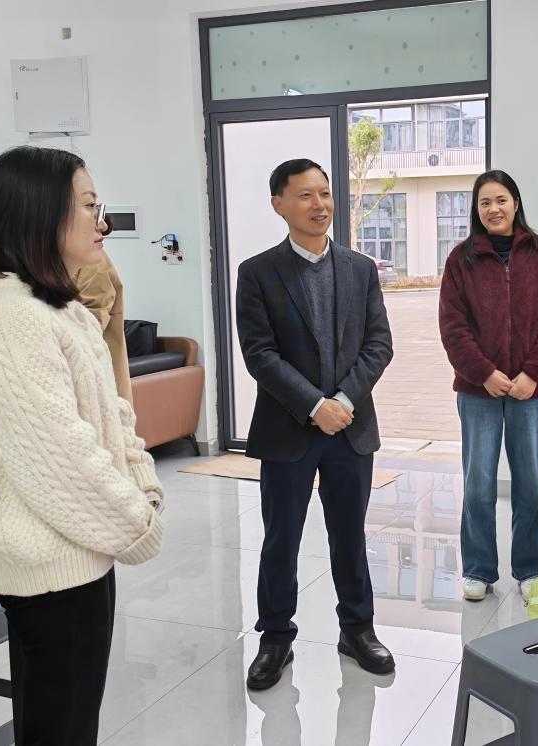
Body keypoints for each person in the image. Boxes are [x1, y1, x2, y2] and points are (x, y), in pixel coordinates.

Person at [0, 146, 164, 745]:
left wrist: (144, 484)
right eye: (90, 206)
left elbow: (111, 414)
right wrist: (137, 523)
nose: (103, 222)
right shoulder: (14, 315)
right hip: (49, 568)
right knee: (60, 729)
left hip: (81, 553)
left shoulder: (59, 306)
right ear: (42, 212)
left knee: (71, 722)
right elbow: (59, 458)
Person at [236, 158, 395, 690]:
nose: (319, 204)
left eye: (324, 193)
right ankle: (275, 637)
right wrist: (313, 405)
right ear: (278, 204)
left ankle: (358, 629)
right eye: (305, 195)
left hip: (350, 426)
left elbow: (379, 345)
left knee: (349, 535)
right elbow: (260, 354)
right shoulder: (257, 273)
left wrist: (343, 399)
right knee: (281, 539)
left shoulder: (360, 269)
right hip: (288, 429)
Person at [439, 169, 538, 603]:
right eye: (484, 202)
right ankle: (478, 569)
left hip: (531, 391)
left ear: (515, 203)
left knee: (529, 483)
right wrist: (484, 373)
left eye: (501, 200)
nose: (493, 209)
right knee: (478, 484)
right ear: (476, 210)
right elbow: (452, 326)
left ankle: (529, 569)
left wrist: (533, 373)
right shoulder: (460, 260)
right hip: (479, 392)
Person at [77, 217, 133, 403]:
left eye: (95, 207)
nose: (104, 225)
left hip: (92, 389)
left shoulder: (92, 263)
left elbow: (89, 329)